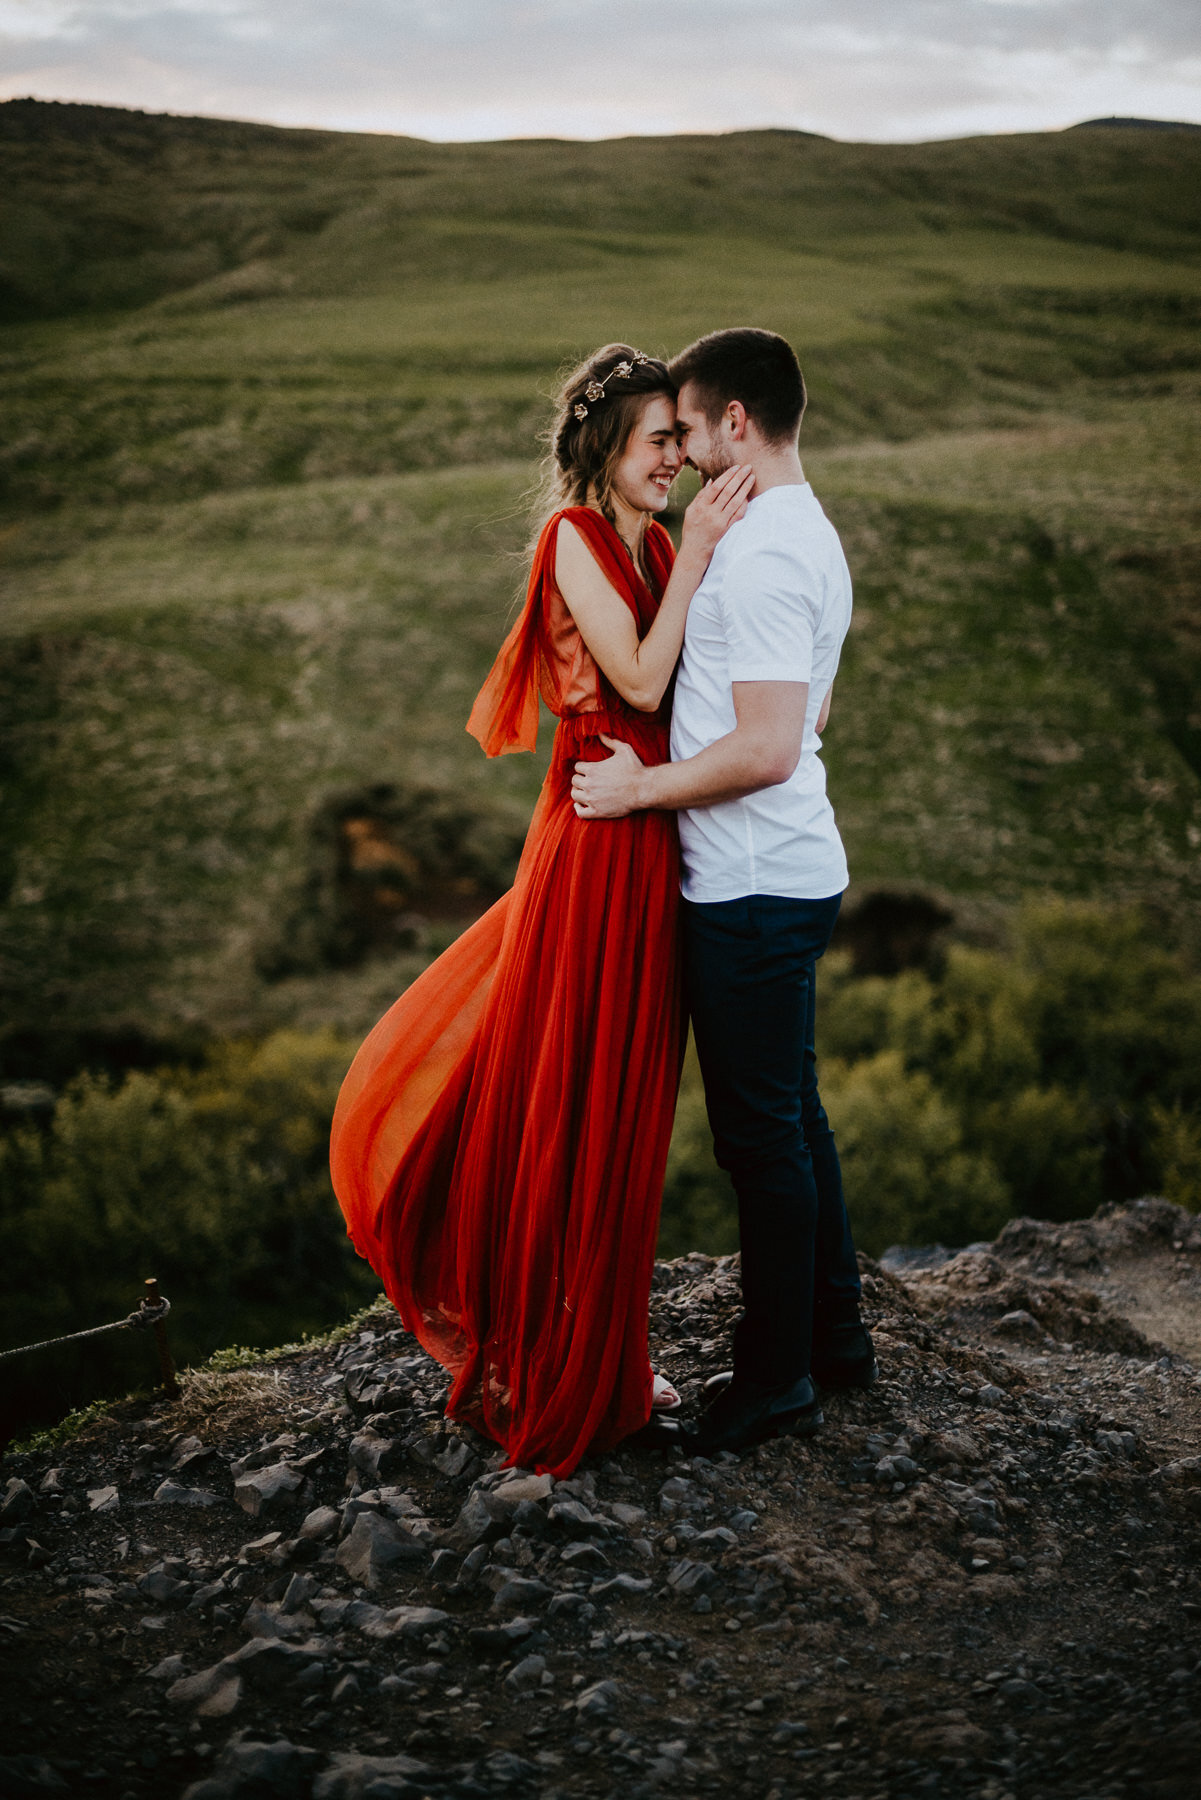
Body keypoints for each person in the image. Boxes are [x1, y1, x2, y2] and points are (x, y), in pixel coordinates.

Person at [329, 344, 752, 1478]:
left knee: (624, 1104)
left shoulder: (656, 542)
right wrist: (704, 550)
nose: (676, 455)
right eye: (659, 437)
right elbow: (644, 681)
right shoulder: (575, 541)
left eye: (680, 437)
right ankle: (554, 1357)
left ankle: (605, 1349)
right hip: (593, 839)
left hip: (651, 830)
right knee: (568, 1090)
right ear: (606, 447)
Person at [571, 327, 877, 1457]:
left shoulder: (754, 560)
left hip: (747, 883)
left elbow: (767, 747)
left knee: (759, 1140)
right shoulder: (809, 532)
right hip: (792, 869)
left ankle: (775, 1380)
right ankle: (834, 1335)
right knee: (793, 1115)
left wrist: (645, 787)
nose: (686, 453)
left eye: (690, 428)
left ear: (735, 422)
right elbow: (812, 719)